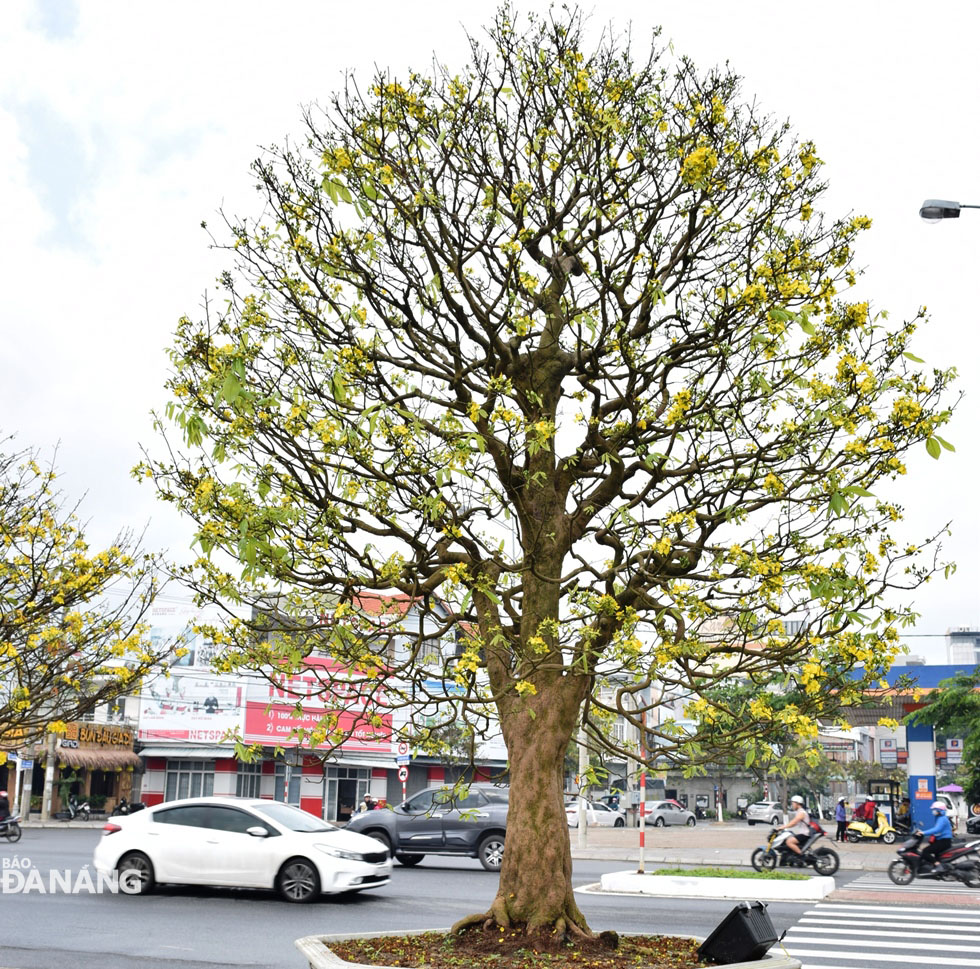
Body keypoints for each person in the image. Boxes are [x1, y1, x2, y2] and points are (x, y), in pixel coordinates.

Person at [916, 801, 953, 870]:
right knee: (935, 853)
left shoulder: (942, 819)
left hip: (944, 842)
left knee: (925, 851)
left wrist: (923, 833)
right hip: (941, 840)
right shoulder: (940, 818)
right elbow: (935, 830)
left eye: (934, 809)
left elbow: (936, 829)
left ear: (939, 810)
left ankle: (938, 865)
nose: (933, 811)